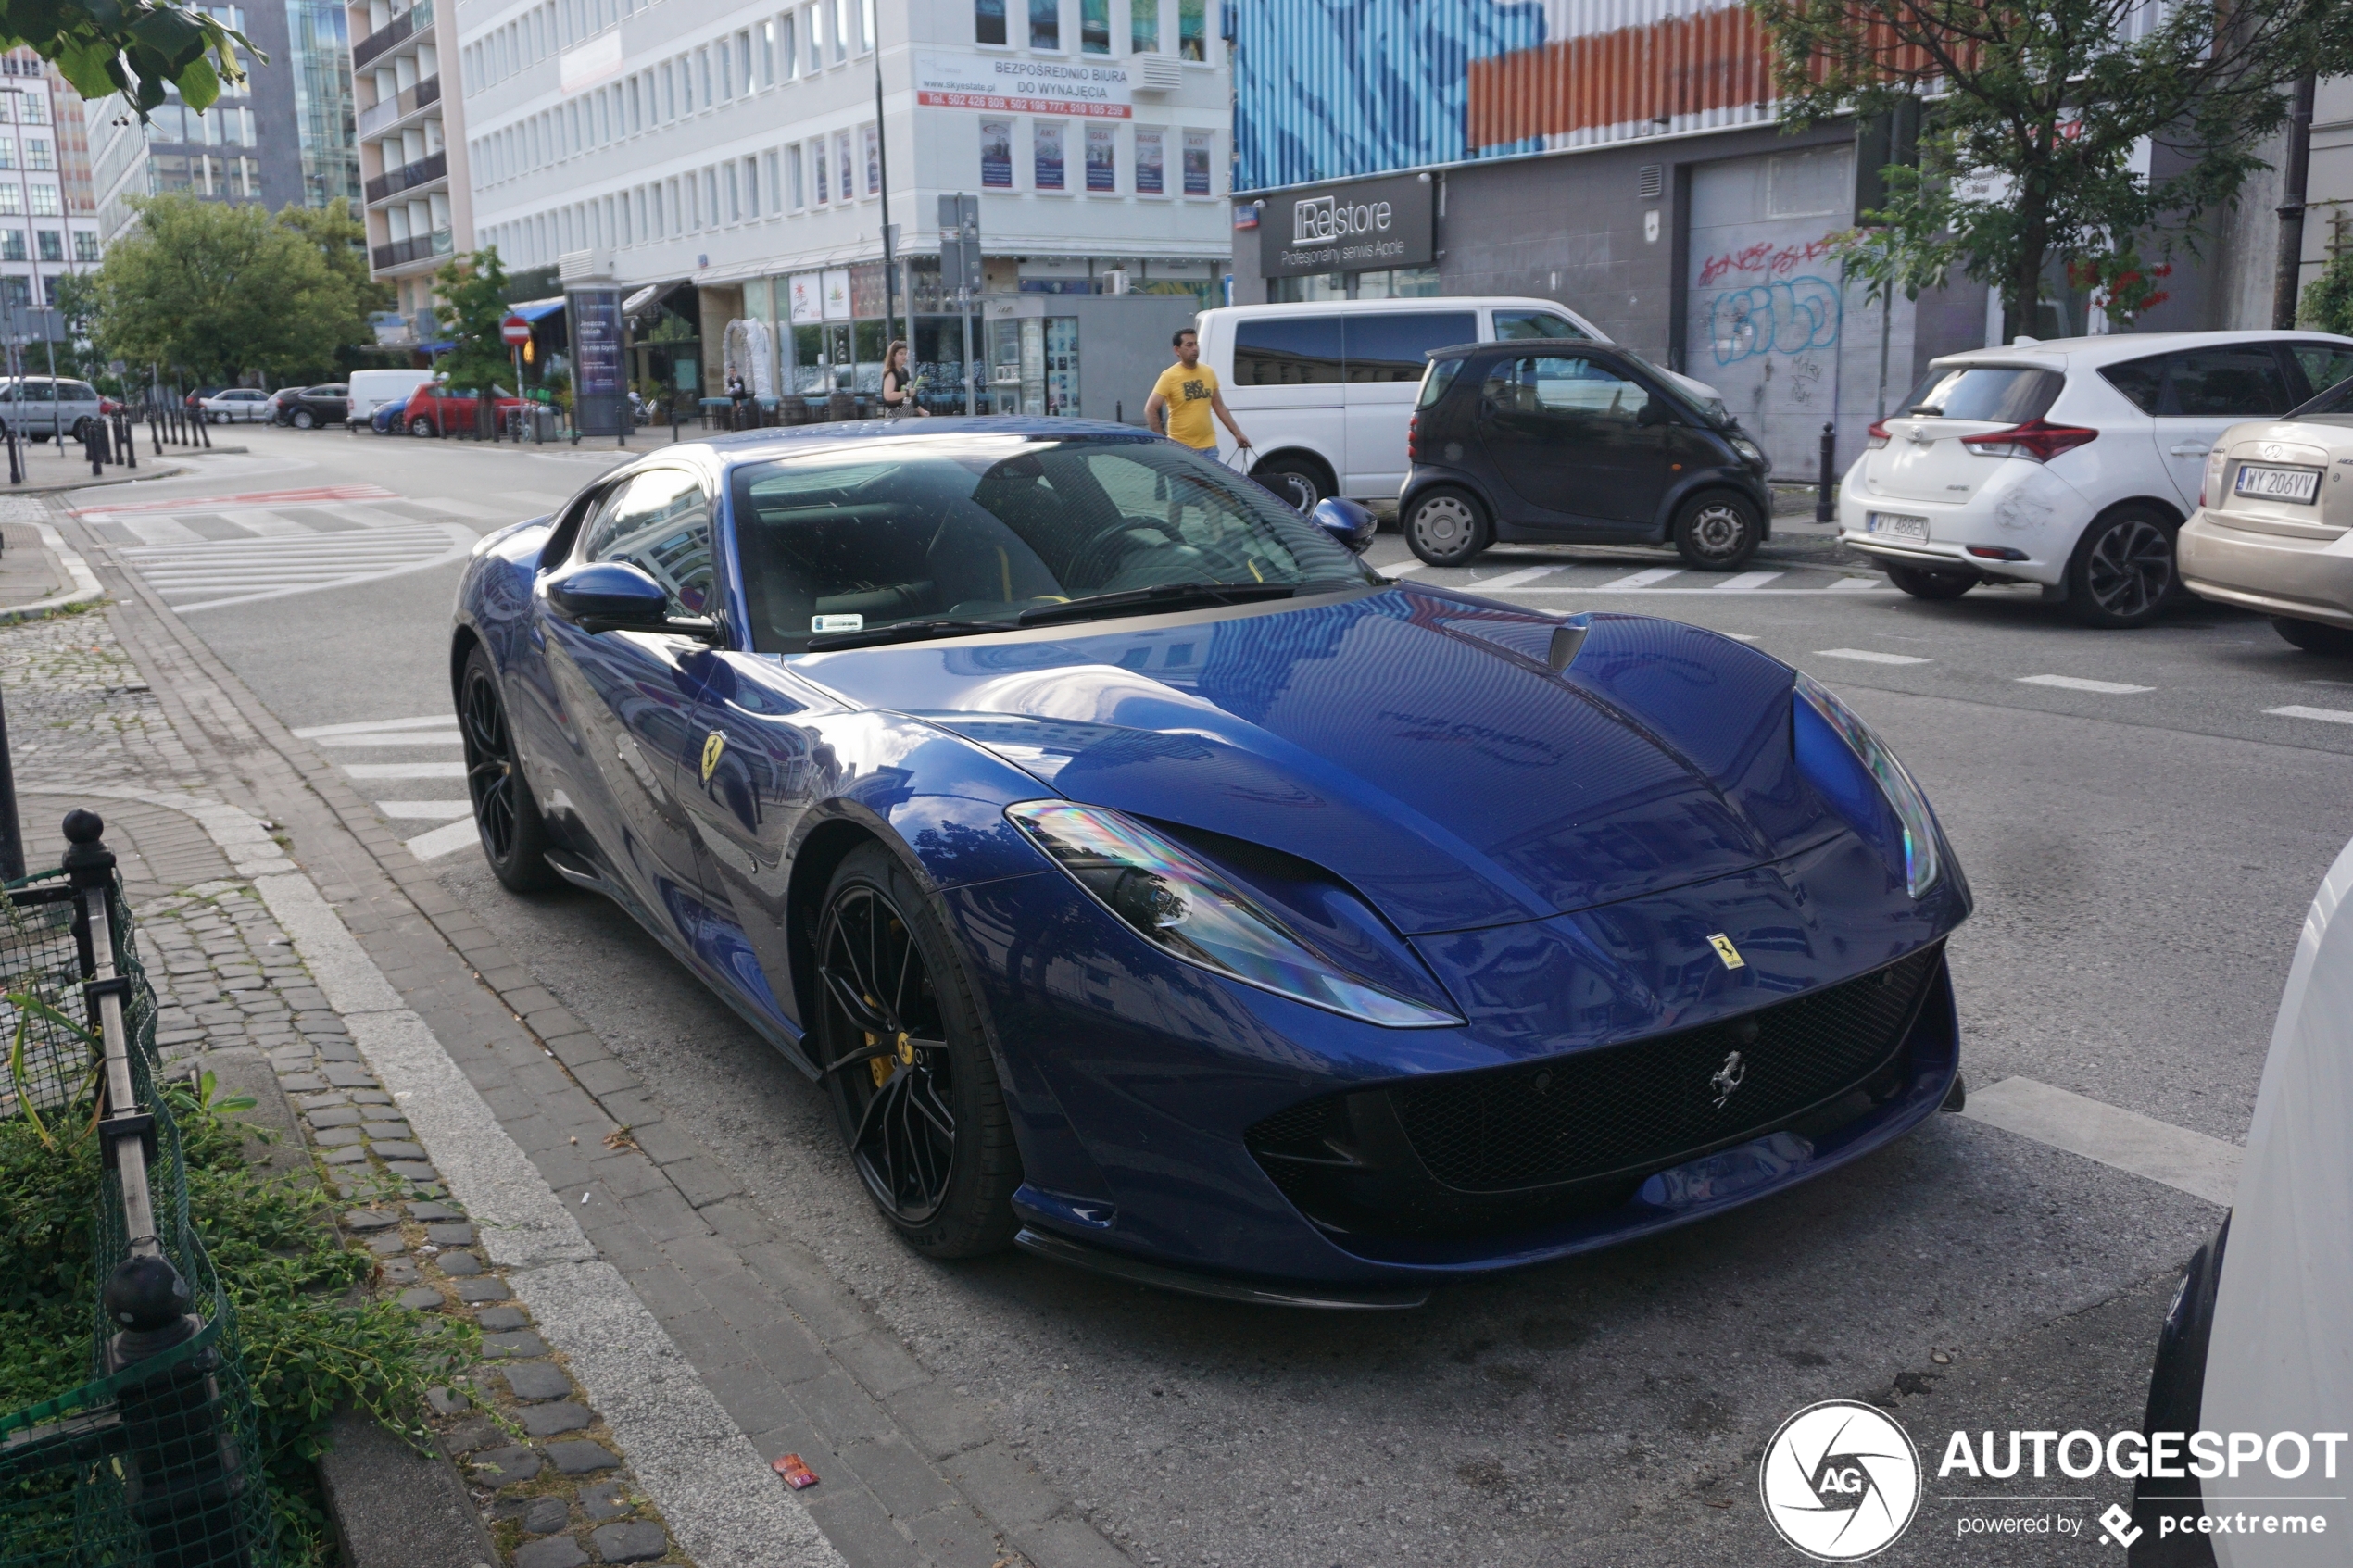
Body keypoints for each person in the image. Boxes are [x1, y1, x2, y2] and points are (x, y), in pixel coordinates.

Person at [1146, 327, 1248, 458]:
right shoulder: (1169, 376)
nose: (1194, 348)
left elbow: (1220, 407)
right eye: (1189, 345)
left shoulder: (1208, 372)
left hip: (1209, 448)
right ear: (1177, 350)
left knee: (1210, 479)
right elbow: (1150, 409)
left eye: (1196, 344)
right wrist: (1162, 440)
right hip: (1181, 448)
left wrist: (1238, 434)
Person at [880, 341, 925, 418]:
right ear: (893, 355)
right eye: (901, 353)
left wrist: (921, 410)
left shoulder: (904, 372)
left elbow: (911, 394)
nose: (904, 356)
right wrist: (907, 393)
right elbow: (888, 396)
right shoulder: (891, 374)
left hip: (906, 413)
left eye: (905, 353)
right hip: (894, 414)